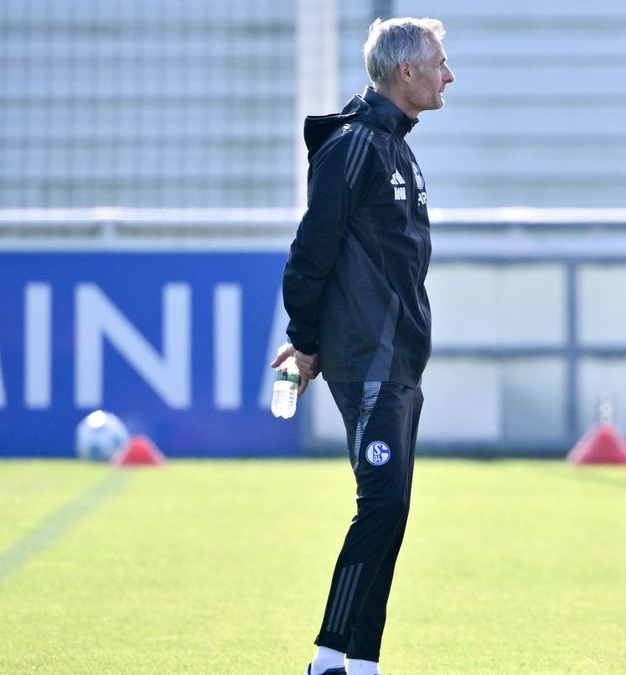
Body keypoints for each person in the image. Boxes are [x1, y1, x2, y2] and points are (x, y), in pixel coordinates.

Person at [271, 17, 454, 675]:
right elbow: (311, 251)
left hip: (399, 363)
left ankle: (361, 661)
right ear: (406, 72)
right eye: (439, 62)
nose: (448, 74)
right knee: (379, 505)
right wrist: (305, 341)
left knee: (393, 509)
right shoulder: (355, 147)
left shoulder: (398, 148)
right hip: (367, 360)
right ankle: (327, 659)